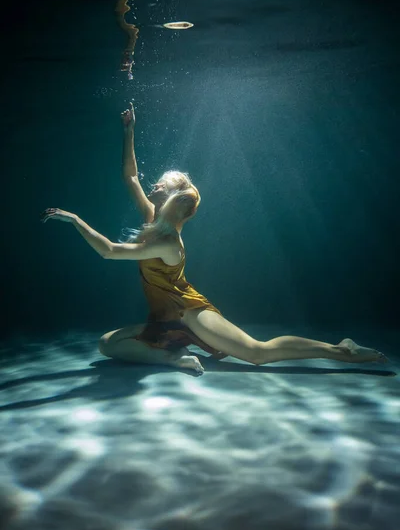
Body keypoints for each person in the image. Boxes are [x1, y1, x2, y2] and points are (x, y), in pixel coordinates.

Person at [41, 104, 387, 375]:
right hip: (164, 318)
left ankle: (341, 350)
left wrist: (74, 220)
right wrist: (129, 130)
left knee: (257, 353)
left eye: (161, 184)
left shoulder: (166, 242)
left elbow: (110, 251)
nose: (154, 185)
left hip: (190, 312)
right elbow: (130, 175)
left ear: (171, 198)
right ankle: (172, 355)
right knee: (107, 345)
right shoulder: (152, 218)